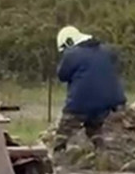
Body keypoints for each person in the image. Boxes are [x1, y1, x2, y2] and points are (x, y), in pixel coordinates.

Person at [53, 25, 126, 153]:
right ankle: (103, 156)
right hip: (109, 101)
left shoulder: (72, 54)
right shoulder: (106, 51)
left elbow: (62, 75)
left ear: (69, 42)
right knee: (94, 128)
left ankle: (56, 159)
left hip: (81, 101)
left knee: (63, 131)